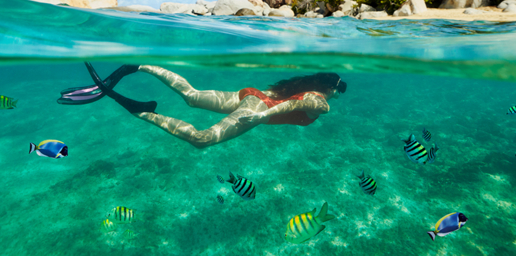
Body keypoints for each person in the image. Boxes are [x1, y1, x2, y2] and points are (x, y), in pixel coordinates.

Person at [58, 63, 347, 149]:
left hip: (251, 95)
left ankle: (141, 66)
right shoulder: (321, 102)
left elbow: (288, 98)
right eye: (338, 90)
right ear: (330, 89)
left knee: (192, 96)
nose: (337, 96)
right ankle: (143, 112)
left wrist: (260, 106)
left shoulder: (299, 84)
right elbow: (291, 106)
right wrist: (262, 115)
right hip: (257, 109)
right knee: (202, 139)